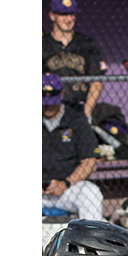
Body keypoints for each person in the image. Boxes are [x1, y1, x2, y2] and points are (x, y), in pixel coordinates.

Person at [43, 74, 105, 221]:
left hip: (67, 189)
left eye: (52, 100)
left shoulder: (76, 119)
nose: (48, 106)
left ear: (62, 94)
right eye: (43, 101)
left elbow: (89, 161)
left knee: (91, 192)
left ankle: (89, 242)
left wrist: (65, 183)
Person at [43, 0, 107, 118]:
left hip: (79, 107)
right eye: (63, 14)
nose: (69, 19)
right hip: (49, 109)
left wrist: (86, 113)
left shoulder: (86, 44)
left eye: (72, 14)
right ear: (52, 16)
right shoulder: (42, 45)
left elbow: (96, 82)